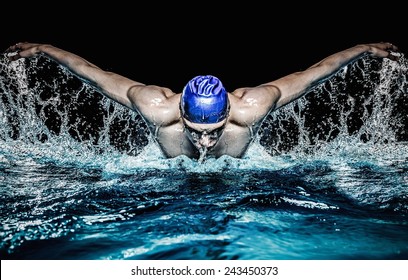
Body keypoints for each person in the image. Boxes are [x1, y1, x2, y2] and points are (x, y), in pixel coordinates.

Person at [5, 42, 400, 161]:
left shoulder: (252, 106)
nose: (205, 143)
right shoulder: (155, 106)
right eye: (197, 132)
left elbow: (315, 72)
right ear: (180, 112)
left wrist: (364, 49)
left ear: (229, 111)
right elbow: (90, 70)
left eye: (214, 132)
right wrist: (44, 49)